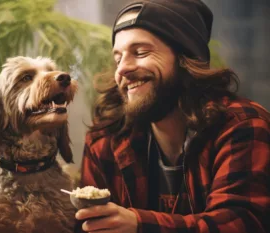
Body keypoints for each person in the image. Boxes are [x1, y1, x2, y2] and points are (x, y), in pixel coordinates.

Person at [74, 0, 270, 232]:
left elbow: (240, 222)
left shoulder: (242, 125)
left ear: (185, 58)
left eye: (141, 52)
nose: (122, 69)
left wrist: (139, 225)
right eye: (118, 59)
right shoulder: (104, 140)